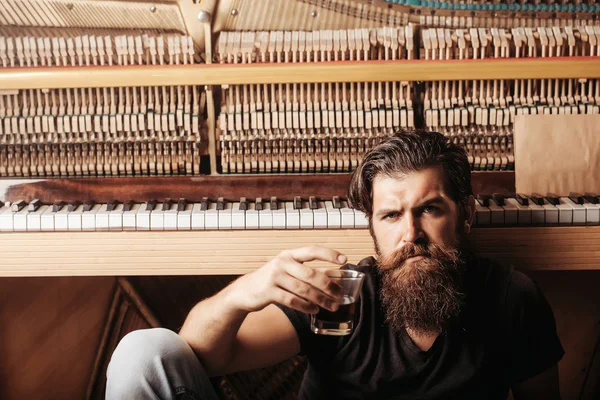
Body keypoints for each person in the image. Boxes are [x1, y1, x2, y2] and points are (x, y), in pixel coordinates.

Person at [106, 130, 564, 400]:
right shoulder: (342, 294)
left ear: (466, 215)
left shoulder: (511, 299)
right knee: (141, 354)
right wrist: (242, 293)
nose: (410, 234)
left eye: (429, 209)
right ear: (373, 226)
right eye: (391, 215)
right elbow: (202, 355)